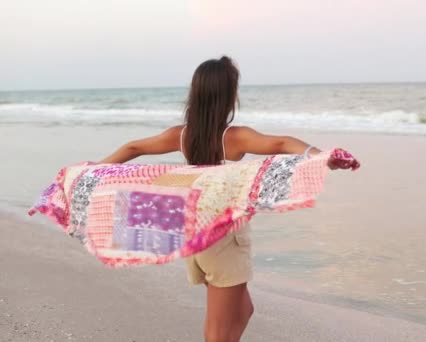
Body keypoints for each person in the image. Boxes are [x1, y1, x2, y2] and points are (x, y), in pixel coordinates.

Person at [99, 56, 358, 342]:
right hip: (223, 240)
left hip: (197, 237)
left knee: (244, 310)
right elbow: (282, 143)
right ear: (229, 96)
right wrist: (323, 156)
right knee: (217, 333)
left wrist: (95, 170)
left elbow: (134, 147)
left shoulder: (182, 135)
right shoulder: (233, 137)